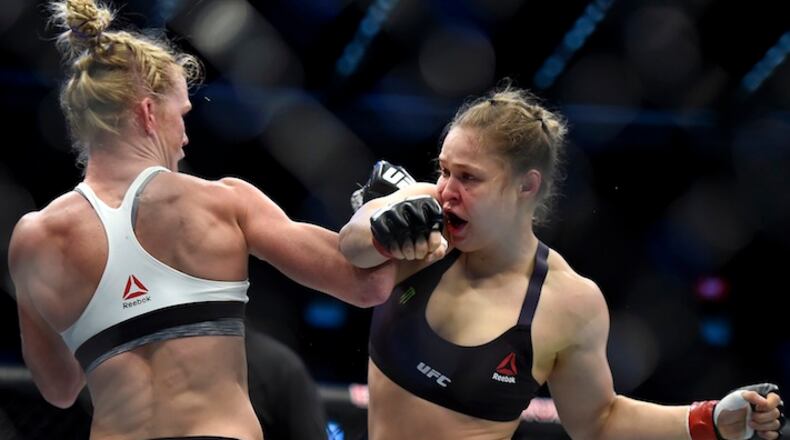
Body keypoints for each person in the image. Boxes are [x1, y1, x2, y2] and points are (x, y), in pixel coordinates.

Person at [7, 1, 398, 439]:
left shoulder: (35, 237)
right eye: (182, 115)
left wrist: (105, 329)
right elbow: (366, 286)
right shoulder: (219, 203)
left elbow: (59, 388)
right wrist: (381, 216)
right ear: (148, 113)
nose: (185, 137)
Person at [339, 85, 785, 440]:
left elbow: (599, 421)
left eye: (469, 177)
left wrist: (707, 421)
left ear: (525, 186)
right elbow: (351, 248)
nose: (447, 190)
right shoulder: (422, 216)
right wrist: (378, 223)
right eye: (444, 170)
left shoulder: (568, 302)